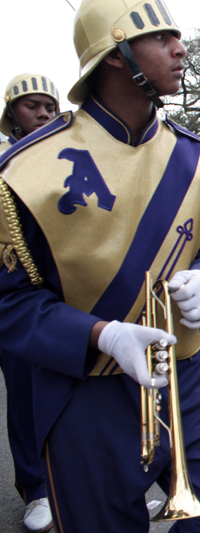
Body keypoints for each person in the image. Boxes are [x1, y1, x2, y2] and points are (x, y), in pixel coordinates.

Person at [0, 0, 200, 530]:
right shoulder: (26, 171)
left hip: (185, 372)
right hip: (85, 386)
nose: (180, 49)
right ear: (115, 55)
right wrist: (101, 334)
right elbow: (11, 304)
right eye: (161, 38)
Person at [0, 73, 60, 533]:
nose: (42, 114)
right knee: (24, 398)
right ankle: (34, 488)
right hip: (17, 298)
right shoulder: (5, 168)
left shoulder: (72, 160)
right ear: (11, 117)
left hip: (68, 298)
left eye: (47, 105)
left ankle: (71, 480)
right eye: (30, 106)